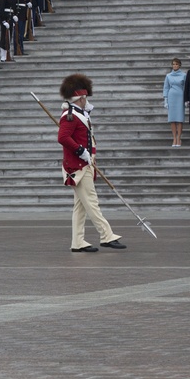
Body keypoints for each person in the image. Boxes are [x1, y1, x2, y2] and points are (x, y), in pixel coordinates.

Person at [56, 74, 125, 253]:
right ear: (80, 97)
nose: (87, 100)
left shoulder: (80, 114)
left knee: (80, 207)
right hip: (76, 166)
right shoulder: (69, 116)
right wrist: (80, 151)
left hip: (84, 164)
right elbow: (63, 137)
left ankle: (77, 241)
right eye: (85, 97)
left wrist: (88, 155)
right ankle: (107, 235)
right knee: (92, 201)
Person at [162, 58, 185, 147]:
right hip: (172, 97)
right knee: (172, 119)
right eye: (173, 64)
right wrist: (166, 100)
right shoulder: (168, 76)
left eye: (176, 64)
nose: (175, 66)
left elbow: (185, 87)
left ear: (179, 65)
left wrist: (186, 99)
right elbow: (166, 87)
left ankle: (179, 138)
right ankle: (174, 138)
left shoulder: (184, 75)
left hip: (180, 97)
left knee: (179, 119)